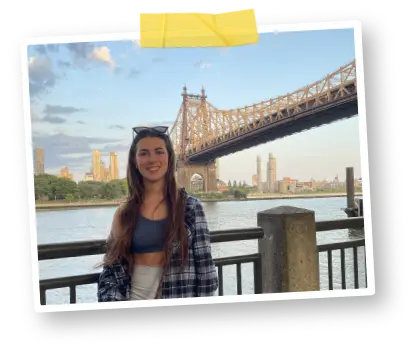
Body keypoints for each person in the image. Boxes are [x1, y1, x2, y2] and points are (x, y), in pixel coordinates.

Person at [96, 126, 219, 301]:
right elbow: (111, 268)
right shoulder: (124, 213)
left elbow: (206, 270)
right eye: (144, 153)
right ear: (135, 161)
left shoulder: (190, 208)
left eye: (159, 151)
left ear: (169, 157)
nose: (152, 159)